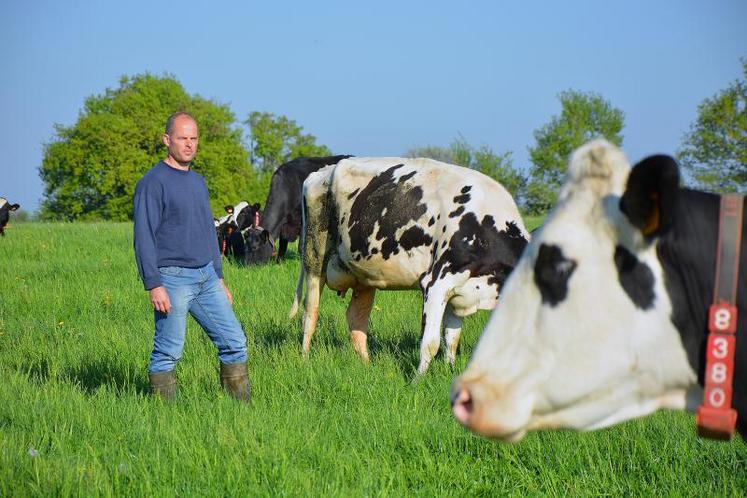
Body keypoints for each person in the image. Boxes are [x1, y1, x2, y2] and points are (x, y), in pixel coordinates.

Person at [133, 111, 250, 402]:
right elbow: (143, 237)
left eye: (194, 138)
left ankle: (243, 415)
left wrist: (220, 278)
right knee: (168, 352)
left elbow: (208, 233)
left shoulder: (198, 181)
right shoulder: (153, 182)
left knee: (235, 343)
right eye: (182, 138)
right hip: (172, 279)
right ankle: (166, 420)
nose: (189, 144)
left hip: (207, 277)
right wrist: (154, 284)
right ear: (167, 139)